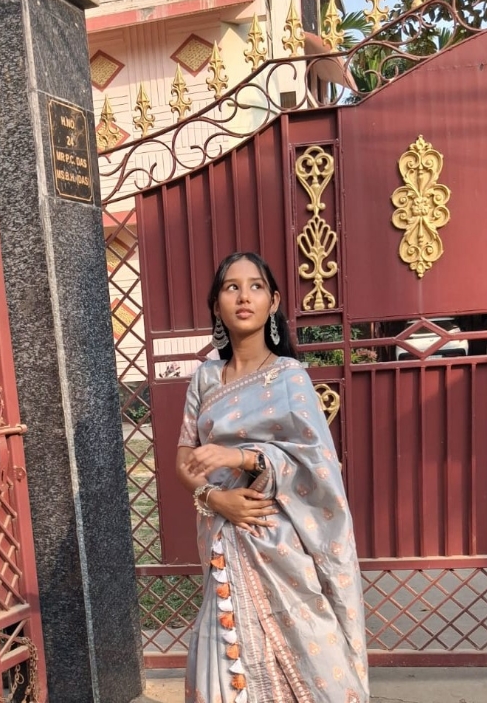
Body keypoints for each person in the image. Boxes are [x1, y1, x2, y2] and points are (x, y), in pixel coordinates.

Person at [176, 252, 369, 703]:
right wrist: (213, 498)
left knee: (312, 652)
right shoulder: (206, 378)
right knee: (226, 651)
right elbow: (184, 458)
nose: (244, 296)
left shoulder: (289, 378)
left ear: (274, 301)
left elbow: (317, 464)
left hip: (279, 539)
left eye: (256, 286)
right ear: (217, 306)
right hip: (224, 538)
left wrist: (243, 457)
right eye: (232, 287)